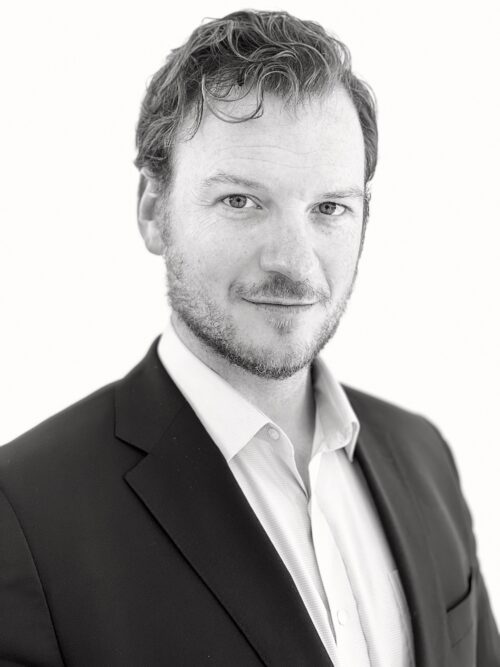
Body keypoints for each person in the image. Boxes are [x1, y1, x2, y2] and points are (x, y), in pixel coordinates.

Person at [0, 9, 498, 667]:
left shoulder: (424, 454)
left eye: (329, 208)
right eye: (241, 201)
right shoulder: (24, 514)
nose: (294, 261)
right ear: (152, 209)